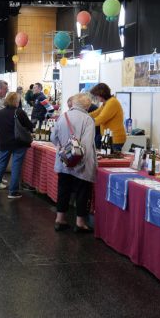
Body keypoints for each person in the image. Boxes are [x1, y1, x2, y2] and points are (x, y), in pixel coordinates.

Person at [51, 93, 97, 233]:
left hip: (64, 161)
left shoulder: (63, 116)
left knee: (63, 190)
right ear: (87, 105)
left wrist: (62, 149)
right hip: (81, 164)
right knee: (82, 192)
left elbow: (53, 137)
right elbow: (87, 145)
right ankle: (80, 223)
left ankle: (60, 220)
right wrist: (81, 163)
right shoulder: (88, 120)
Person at [0, 92, 33, 199]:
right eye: (18, 100)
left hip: (4, 142)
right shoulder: (19, 112)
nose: (19, 102)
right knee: (16, 166)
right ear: (15, 101)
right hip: (18, 143)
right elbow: (29, 126)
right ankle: (13, 192)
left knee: (1, 164)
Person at [89, 83, 126, 151]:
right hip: (109, 138)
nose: (96, 98)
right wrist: (83, 115)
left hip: (115, 139)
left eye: (96, 96)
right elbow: (96, 113)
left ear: (101, 94)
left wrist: (85, 122)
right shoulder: (106, 103)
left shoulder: (112, 103)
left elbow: (100, 119)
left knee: (111, 160)